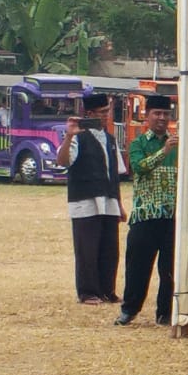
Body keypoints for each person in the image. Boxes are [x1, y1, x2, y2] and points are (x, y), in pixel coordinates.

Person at [117, 94, 179, 327]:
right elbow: (139, 168)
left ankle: (165, 313)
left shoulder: (177, 144)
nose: (162, 118)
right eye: (157, 114)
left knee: (170, 269)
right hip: (145, 215)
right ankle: (129, 309)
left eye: (166, 114)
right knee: (137, 266)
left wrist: (187, 149)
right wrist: (163, 151)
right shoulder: (138, 144)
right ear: (147, 116)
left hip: (172, 216)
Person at [57, 92, 124, 305]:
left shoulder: (110, 139)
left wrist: (120, 205)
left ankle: (107, 289)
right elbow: (63, 161)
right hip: (85, 200)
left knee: (109, 249)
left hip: (109, 199)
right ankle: (87, 291)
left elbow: (114, 173)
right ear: (90, 114)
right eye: (101, 113)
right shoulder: (78, 138)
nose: (105, 116)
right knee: (87, 248)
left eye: (107, 112)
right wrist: (69, 136)